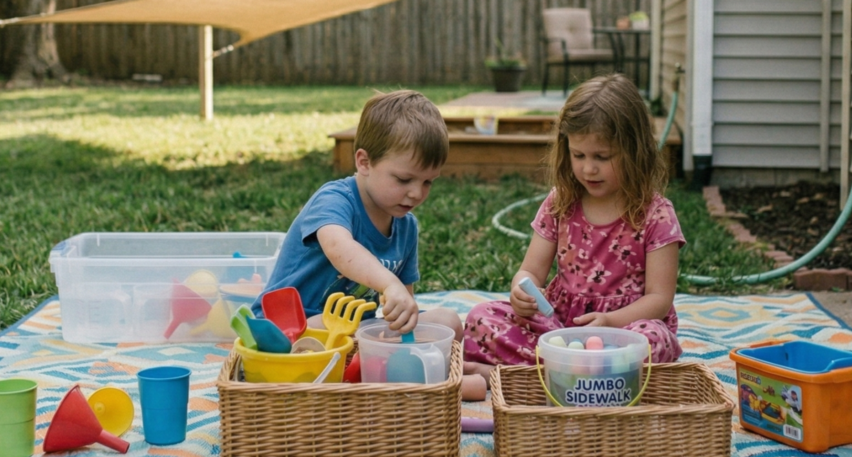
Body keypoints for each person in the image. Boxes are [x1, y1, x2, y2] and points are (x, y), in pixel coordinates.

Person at [464, 74, 685, 379]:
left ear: (635, 152)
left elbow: (659, 299)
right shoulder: (561, 202)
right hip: (558, 326)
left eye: (602, 157)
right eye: (578, 155)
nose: (587, 168)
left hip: (622, 332)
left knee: (654, 340)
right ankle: (585, 374)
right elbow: (530, 272)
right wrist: (520, 292)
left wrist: (610, 323)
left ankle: (539, 374)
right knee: (481, 318)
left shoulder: (655, 214)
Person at [252, 90, 470, 385]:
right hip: (293, 326)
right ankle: (404, 378)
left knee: (448, 322)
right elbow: (339, 248)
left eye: (428, 181)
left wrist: (403, 314)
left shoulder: (406, 226)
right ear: (364, 162)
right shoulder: (334, 200)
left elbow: (403, 305)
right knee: (341, 336)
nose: (417, 193)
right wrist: (388, 284)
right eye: (404, 179)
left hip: (358, 330)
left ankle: (403, 376)